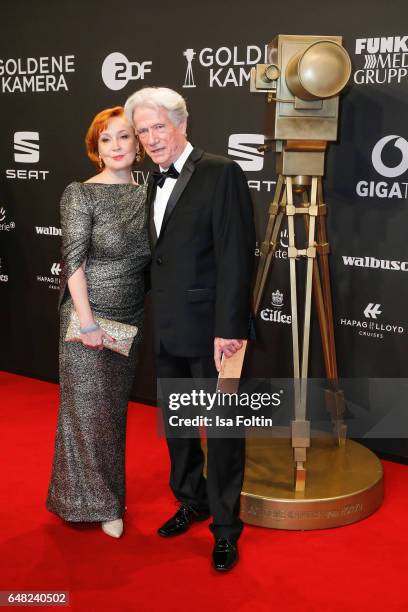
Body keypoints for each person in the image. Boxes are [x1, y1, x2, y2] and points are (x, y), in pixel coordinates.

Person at [124, 87, 255, 571]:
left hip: (213, 331)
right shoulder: (149, 180)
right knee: (177, 424)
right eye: (143, 131)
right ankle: (190, 499)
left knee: (221, 431)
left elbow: (235, 254)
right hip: (167, 327)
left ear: (181, 124)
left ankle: (225, 528)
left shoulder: (221, 172)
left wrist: (229, 329)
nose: (152, 139)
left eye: (160, 127)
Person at [46, 106, 150, 539]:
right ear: (96, 149)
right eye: (106, 139)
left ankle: (103, 495)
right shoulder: (81, 194)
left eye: (123, 137)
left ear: (139, 144)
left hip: (130, 316)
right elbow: (73, 264)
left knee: (111, 413)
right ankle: (101, 505)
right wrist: (87, 324)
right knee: (85, 412)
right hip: (87, 317)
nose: (116, 147)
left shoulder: (148, 194)